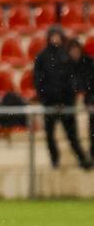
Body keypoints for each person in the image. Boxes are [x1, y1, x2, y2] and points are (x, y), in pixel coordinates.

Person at [33, 25, 91, 169]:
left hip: (66, 104)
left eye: (57, 35)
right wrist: (47, 99)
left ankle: (83, 161)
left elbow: (72, 81)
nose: (55, 39)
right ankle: (54, 161)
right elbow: (39, 81)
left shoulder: (66, 56)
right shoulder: (42, 57)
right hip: (49, 104)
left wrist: (66, 101)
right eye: (53, 36)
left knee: (72, 136)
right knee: (49, 136)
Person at [66, 38, 94, 157]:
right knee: (71, 130)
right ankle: (81, 156)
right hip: (70, 100)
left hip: (90, 98)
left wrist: (89, 99)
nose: (74, 53)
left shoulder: (89, 62)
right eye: (72, 50)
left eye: (76, 50)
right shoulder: (65, 64)